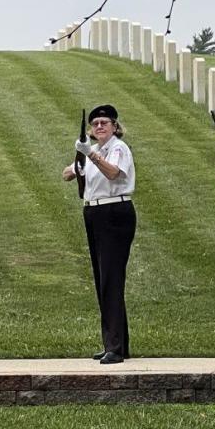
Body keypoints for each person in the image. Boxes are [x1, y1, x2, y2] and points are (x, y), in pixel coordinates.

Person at [62, 104, 136, 364]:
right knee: (103, 277)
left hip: (114, 211)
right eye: (95, 124)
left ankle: (114, 346)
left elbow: (114, 173)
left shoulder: (117, 149)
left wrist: (90, 157)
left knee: (111, 278)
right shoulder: (93, 150)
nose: (100, 127)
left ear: (115, 126)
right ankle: (117, 343)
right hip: (94, 213)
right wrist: (78, 164)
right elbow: (66, 174)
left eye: (105, 122)